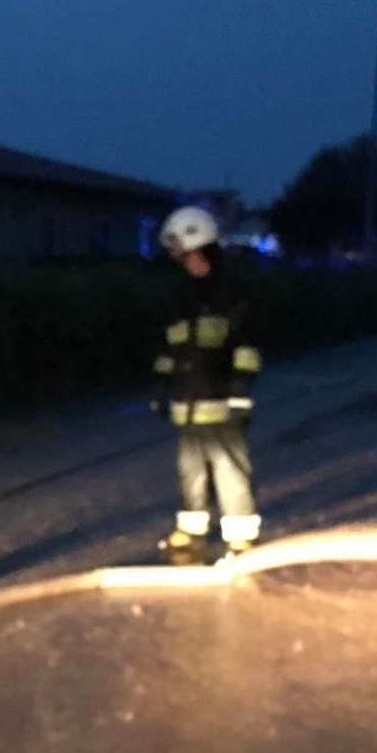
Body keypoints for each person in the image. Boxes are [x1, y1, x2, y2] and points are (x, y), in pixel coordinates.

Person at [150, 206, 262, 564]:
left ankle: (241, 537)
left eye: (181, 249)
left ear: (198, 243)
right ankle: (193, 527)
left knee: (229, 468)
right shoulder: (182, 294)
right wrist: (161, 386)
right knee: (190, 470)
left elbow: (246, 346)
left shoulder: (231, 291)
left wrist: (241, 391)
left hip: (221, 398)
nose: (177, 257)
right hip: (187, 400)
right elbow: (171, 346)